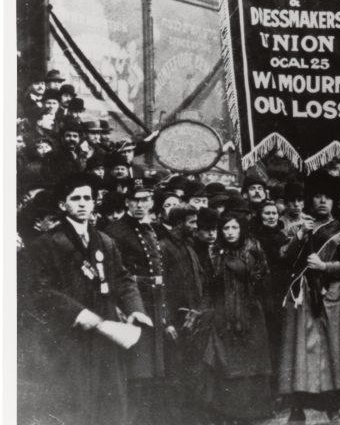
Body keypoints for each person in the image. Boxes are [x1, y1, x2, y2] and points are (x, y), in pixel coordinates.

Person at [21, 174, 147, 425]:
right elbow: (39, 291)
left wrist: (135, 308)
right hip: (70, 339)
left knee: (111, 404)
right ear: (62, 205)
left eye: (87, 198)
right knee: (76, 406)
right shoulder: (46, 244)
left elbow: (123, 278)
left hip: (107, 334)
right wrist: (77, 313)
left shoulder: (105, 240)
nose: (82, 204)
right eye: (75, 198)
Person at [279, 169, 340, 425]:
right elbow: (284, 257)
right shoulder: (300, 227)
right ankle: (297, 408)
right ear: (311, 200)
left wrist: (325, 267)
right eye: (318, 197)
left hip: (331, 297)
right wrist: (301, 235)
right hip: (302, 296)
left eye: (328, 198)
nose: (322, 202)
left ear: (334, 202)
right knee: (301, 354)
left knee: (330, 354)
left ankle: (332, 408)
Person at [104, 178, 171, 425]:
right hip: (135, 303)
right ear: (127, 202)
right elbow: (117, 275)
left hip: (155, 299)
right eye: (135, 200)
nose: (140, 205)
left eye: (145, 200)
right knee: (138, 369)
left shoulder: (150, 227)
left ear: (151, 202)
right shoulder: (115, 232)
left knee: (155, 368)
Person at [200, 215, 273, 423]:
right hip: (224, 316)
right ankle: (229, 413)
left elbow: (262, 280)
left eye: (234, 227)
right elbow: (208, 286)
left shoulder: (253, 250)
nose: (230, 231)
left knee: (253, 364)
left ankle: (253, 413)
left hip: (251, 315)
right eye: (226, 227)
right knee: (227, 365)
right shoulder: (214, 253)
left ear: (241, 229)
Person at [159, 205, 206, 423]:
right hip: (175, 324)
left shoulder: (189, 246)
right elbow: (161, 290)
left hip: (193, 322)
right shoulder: (164, 248)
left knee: (193, 373)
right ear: (179, 224)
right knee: (175, 376)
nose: (196, 226)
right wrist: (167, 322)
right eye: (192, 222)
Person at [251, 200, 289, 398]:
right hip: (264, 292)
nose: (271, 217)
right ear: (260, 216)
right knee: (267, 340)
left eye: (274, 213)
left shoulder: (282, 236)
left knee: (280, 339)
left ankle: (280, 388)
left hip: (281, 291)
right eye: (267, 213)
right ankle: (269, 391)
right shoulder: (255, 238)